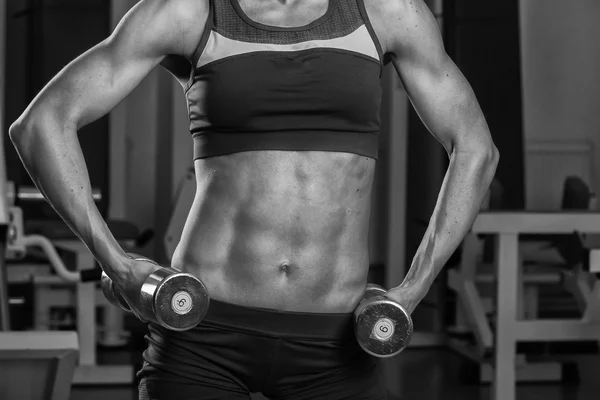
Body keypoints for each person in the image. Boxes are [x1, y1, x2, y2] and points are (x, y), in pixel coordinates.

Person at [9, 0, 499, 398]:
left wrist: (412, 290)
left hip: (336, 345)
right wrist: (118, 265)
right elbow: (40, 126)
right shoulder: (188, 12)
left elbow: (476, 149)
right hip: (204, 335)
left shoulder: (387, 12)